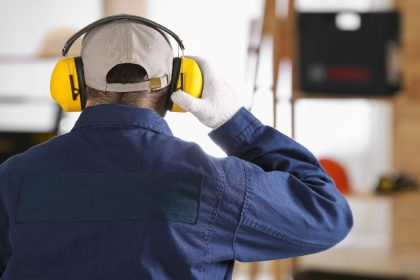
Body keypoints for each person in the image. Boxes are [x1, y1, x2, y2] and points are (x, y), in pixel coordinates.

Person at [0, 17, 352, 280]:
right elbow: (327, 216)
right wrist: (234, 123)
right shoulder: (216, 182)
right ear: (180, 86)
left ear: (72, 83)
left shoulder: (13, 176)